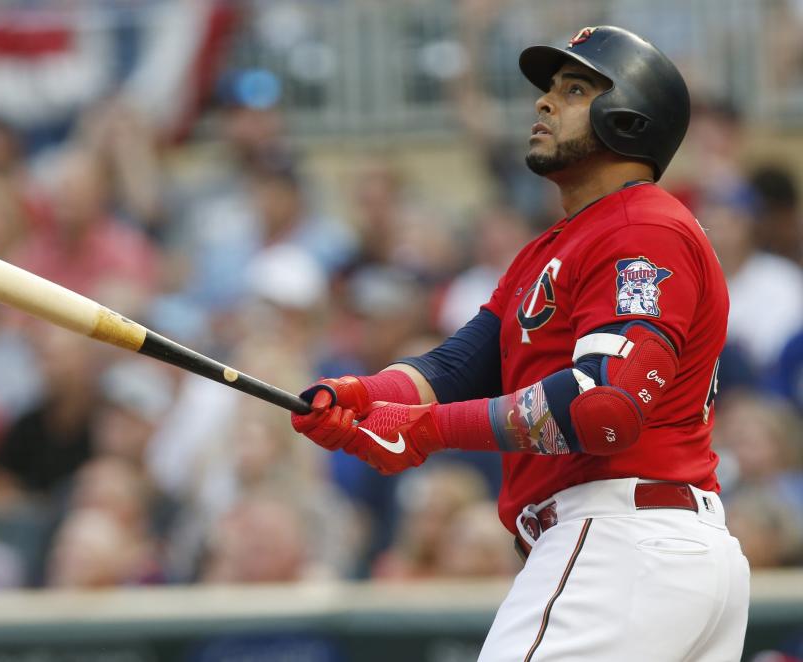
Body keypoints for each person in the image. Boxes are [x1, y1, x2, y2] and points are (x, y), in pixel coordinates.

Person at [292, 26, 749, 660]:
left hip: (619, 543)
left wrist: (425, 429)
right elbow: (461, 364)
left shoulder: (642, 224)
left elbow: (604, 406)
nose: (543, 102)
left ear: (631, 116)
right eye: (550, 89)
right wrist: (362, 397)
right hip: (654, 553)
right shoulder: (556, 245)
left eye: (575, 88)